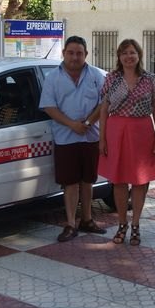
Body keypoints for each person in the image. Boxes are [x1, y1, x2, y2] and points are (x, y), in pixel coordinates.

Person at [39, 35, 107, 242]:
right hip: (65, 137)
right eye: (71, 53)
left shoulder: (96, 75)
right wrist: (72, 124)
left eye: (79, 53)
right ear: (64, 53)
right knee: (70, 183)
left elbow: (104, 103)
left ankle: (87, 219)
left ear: (86, 54)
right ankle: (70, 224)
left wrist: (87, 123)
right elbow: (49, 107)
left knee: (88, 181)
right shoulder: (53, 78)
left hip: (90, 136)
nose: (75, 57)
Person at [98, 39, 155, 246]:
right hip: (116, 131)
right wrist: (102, 138)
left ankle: (135, 224)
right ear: (119, 56)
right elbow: (104, 109)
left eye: (132, 52)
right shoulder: (111, 78)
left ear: (139, 55)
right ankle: (122, 223)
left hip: (142, 131)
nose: (129, 56)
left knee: (140, 180)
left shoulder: (150, 79)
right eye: (124, 53)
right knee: (118, 180)